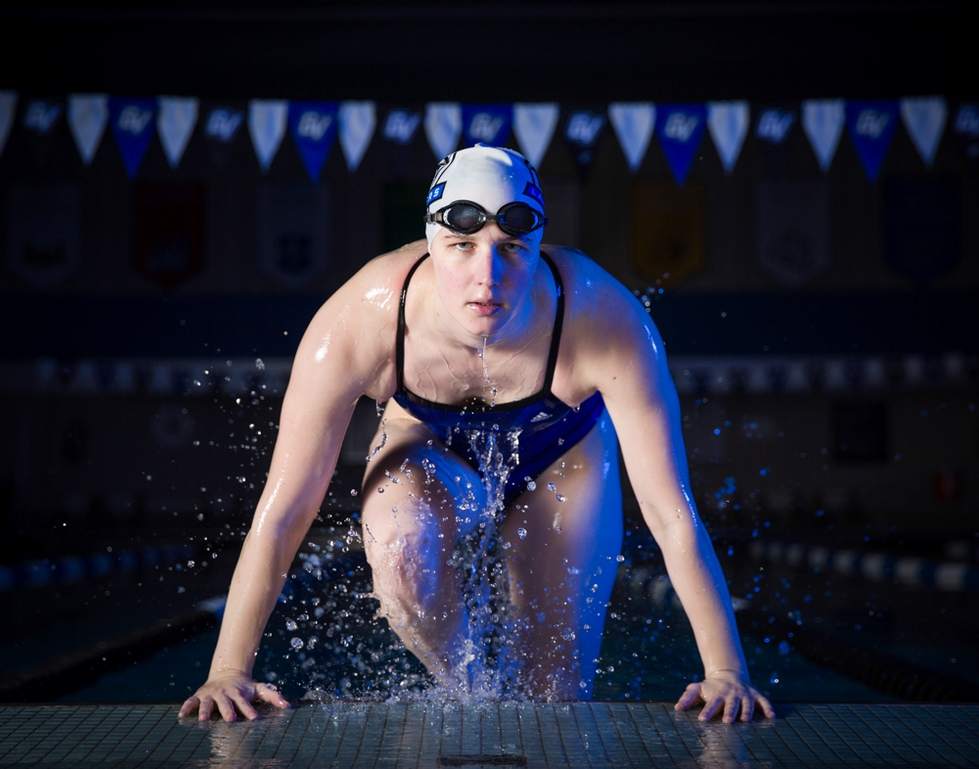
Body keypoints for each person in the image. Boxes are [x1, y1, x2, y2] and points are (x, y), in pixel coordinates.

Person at [178, 144, 775, 724]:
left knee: (554, 703)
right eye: (462, 245)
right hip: (424, 447)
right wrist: (229, 668)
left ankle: (517, 707)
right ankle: (472, 695)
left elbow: (671, 514)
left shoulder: (602, 318)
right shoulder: (364, 316)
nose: (486, 276)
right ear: (433, 242)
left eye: (511, 247)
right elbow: (284, 510)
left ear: (537, 246)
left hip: (565, 458)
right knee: (403, 550)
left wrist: (725, 669)